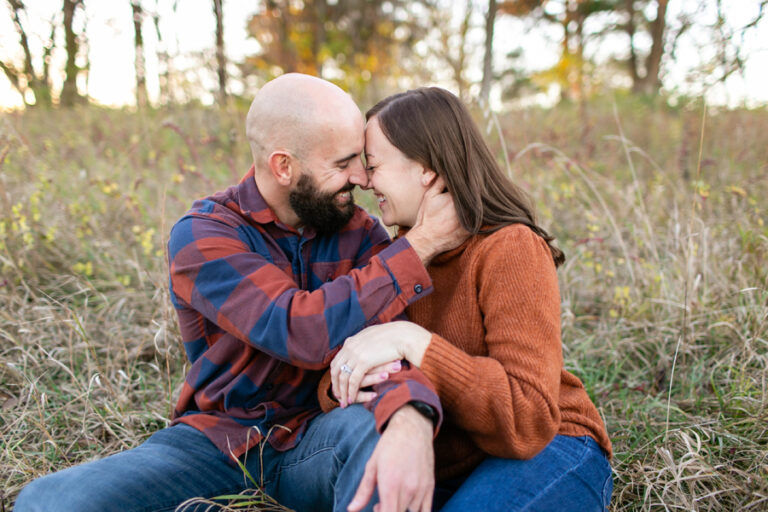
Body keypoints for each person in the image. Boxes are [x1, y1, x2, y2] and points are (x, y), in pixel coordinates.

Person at [14, 74, 467, 512]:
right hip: (215, 443)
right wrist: (421, 245)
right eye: (342, 163)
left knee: (377, 431)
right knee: (49, 502)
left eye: (361, 161)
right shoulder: (204, 234)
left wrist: (410, 415)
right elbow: (298, 328)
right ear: (283, 166)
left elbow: (391, 347)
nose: (362, 179)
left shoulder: (362, 235)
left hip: (318, 435)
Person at [322, 87, 614, 512]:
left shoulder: (509, 248)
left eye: (374, 166)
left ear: (425, 168)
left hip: (549, 448)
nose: (365, 182)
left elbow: (530, 416)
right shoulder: (396, 259)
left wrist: (412, 342)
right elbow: (334, 382)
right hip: (453, 467)